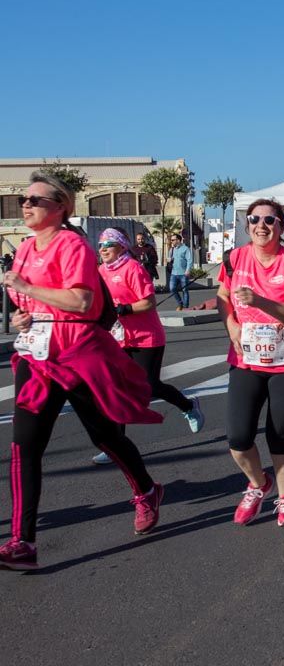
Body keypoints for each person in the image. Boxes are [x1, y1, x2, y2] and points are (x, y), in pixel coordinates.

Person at [2, 173, 164, 571]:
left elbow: (81, 300)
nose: (27, 205)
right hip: (37, 357)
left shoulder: (71, 244)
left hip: (76, 353)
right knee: (25, 445)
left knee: (105, 434)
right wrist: (23, 316)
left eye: (36, 200)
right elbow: (26, 300)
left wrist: (28, 288)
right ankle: (23, 540)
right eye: (24, 199)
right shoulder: (23, 248)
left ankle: (146, 490)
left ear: (61, 207)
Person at [217, 199, 284, 529]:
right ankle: (259, 484)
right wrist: (230, 323)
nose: (262, 225)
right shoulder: (234, 259)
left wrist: (260, 301)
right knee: (238, 437)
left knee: (279, 436)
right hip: (247, 358)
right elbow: (222, 295)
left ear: (281, 226)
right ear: (247, 225)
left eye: (270, 220)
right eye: (255, 219)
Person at [91, 228, 205, 466]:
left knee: (150, 386)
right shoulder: (100, 271)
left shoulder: (132, 268)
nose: (103, 249)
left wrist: (125, 309)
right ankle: (116, 445)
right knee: (117, 390)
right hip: (118, 338)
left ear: (122, 247)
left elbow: (149, 303)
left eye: (109, 244)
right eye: (101, 244)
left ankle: (188, 405)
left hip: (146, 337)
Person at [167, 233, 193, 310]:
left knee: (185, 290)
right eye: (171, 240)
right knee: (172, 288)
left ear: (178, 240)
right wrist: (169, 260)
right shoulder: (171, 249)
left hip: (183, 273)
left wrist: (188, 270)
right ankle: (180, 303)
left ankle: (185, 307)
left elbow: (189, 260)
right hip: (174, 273)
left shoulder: (185, 249)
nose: (171, 241)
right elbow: (169, 258)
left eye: (173, 240)